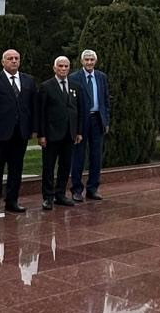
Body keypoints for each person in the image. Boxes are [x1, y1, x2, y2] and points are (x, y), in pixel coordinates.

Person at [0, 48, 37, 216]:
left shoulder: (28, 80)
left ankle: (12, 201)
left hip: (21, 132)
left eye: (16, 58)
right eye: (10, 58)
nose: (14, 61)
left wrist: (34, 129)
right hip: (0, 133)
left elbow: (33, 106)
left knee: (16, 168)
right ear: (3, 62)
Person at [38, 56, 82, 210]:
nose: (63, 69)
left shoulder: (75, 86)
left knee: (65, 165)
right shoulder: (46, 86)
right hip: (51, 134)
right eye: (60, 66)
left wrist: (78, 131)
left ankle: (60, 194)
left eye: (66, 66)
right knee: (49, 167)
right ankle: (48, 197)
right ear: (54, 68)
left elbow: (78, 110)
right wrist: (41, 134)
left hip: (69, 134)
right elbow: (41, 112)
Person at [69, 48, 110, 201]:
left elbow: (105, 100)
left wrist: (106, 120)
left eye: (92, 60)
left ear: (95, 61)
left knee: (96, 156)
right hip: (81, 121)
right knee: (78, 156)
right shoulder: (74, 77)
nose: (89, 62)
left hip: (97, 120)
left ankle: (93, 188)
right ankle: (76, 190)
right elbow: (72, 104)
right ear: (81, 61)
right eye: (86, 60)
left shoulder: (101, 77)